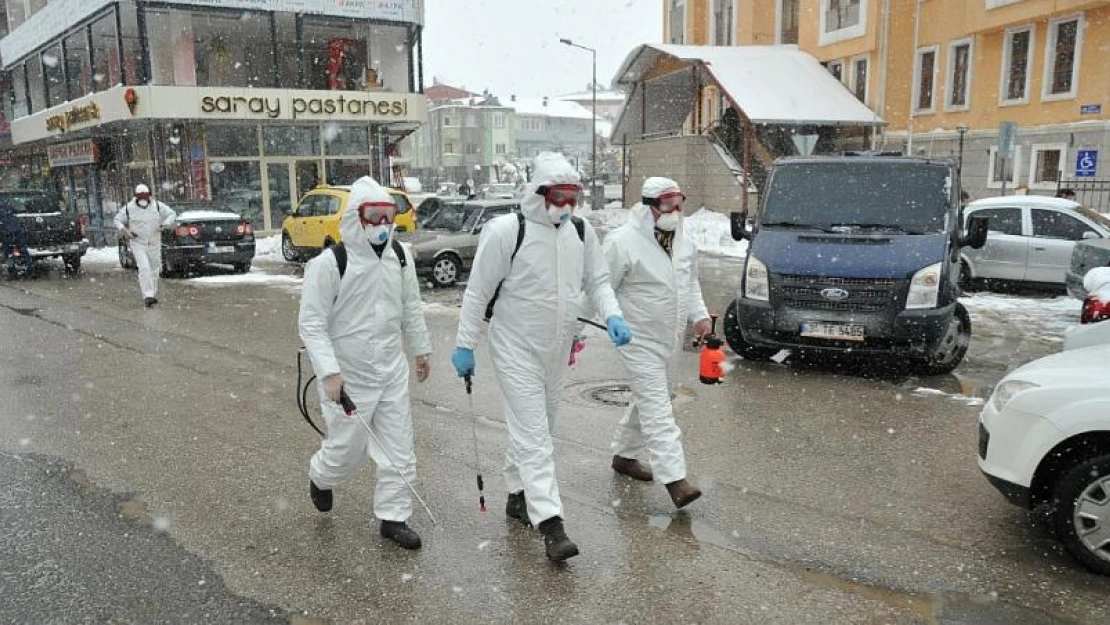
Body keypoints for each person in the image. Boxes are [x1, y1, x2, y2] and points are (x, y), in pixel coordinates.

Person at [451, 152, 631, 562]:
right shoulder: (506, 232)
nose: (566, 207)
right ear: (539, 193)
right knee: (535, 436)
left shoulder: (581, 233)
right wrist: (466, 343)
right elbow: (478, 292)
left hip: (557, 351)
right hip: (515, 348)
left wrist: (614, 316)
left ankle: (518, 494)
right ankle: (551, 524)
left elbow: (599, 281)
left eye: (573, 198)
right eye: (558, 197)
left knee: (539, 429)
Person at [299, 176, 433, 550]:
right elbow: (311, 322)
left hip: (391, 370)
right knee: (348, 451)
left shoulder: (399, 257)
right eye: (373, 216)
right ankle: (321, 476)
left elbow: (411, 308)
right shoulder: (330, 264)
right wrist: (329, 372)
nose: (381, 225)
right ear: (356, 217)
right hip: (348, 376)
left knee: (399, 450)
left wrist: (421, 349)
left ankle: (394, 517)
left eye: (387, 216)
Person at [602, 177, 710, 509]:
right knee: (658, 409)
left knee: (656, 396)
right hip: (636, 337)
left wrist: (701, 316)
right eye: (667, 204)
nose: (675, 211)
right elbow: (600, 286)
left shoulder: (683, 239)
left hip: (670, 337)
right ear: (649, 205)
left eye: (679, 203)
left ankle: (624, 456)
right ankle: (675, 480)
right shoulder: (622, 242)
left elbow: (689, 283)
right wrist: (592, 325)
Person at [114, 184, 175, 307]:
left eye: (145, 196)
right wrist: (126, 231)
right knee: (144, 267)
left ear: (149, 195)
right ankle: (148, 295)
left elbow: (171, 214)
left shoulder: (157, 206)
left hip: (154, 241)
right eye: (140, 196)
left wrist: (164, 225)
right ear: (135, 196)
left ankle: (152, 293)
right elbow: (117, 219)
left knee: (154, 268)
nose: (143, 199)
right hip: (138, 242)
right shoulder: (129, 208)